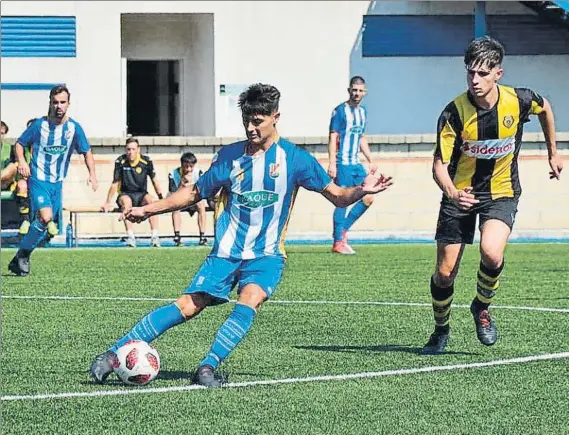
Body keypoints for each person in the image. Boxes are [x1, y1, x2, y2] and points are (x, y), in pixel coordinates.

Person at [89, 83, 393, 387]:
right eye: (246, 121)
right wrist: (150, 209)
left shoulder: (295, 159)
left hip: (266, 254)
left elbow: (338, 195)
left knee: (251, 298)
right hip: (226, 251)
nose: (250, 128)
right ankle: (113, 354)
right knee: (188, 305)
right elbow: (195, 192)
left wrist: (361, 190)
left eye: (257, 121)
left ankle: (206, 368)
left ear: (276, 117)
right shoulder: (230, 157)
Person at [421, 36, 563, 355]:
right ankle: (441, 330)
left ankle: (481, 307)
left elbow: (545, 107)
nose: (475, 80)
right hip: (460, 194)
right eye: (470, 72)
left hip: (501, 192)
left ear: (498, 73)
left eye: (482, 73)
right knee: (444, 274)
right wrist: (453, 192)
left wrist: (553, 152)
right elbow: (438, 166)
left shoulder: (518, 100)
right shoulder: (453, 113)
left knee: (492, 253)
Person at [8, 85, 99, 276]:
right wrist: (22, 161)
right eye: (55, 102)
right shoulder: (39, 126)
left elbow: (86, 150)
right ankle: (23, 256)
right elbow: (19, 144)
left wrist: (92, 174)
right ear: (50, 103)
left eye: (62, 102)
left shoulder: (73, 128)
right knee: (46, 216)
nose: (59, 106)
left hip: (57, 183)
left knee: (48, 225)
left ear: (68, 104)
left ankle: (21, 256)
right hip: (38, 179)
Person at [327, 76, 376, 255]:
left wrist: (370, 158)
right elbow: (333, 136)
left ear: (365, 92)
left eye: (360, 90)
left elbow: (361, 137)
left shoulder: (362, 112)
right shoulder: (340, 111)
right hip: (343, 163)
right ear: (349, 90)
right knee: (342, 200)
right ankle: (338, 242)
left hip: (356, 163)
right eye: (354, 90)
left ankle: (343, 230)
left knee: (369, 196)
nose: (357, 93)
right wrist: (332, 162)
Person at [101, 137, 164, 247]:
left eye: (133, 149)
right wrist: (107, 202)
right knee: (127, 204)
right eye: (128, 149)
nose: (131, 152)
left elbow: (154, 181)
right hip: (125, 194)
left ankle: (155, 236)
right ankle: (130, 237)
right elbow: (115, 183)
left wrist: (161, 198)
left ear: (138, 149)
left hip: (141, 194)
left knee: (152, 201)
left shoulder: (146, 161)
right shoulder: (120, 161)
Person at [168, 152, 210, 246]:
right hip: (180, 199)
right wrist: (182, 183)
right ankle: (177, 236)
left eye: (191, 166)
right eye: (186, 166)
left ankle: (202, 236)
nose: (188, 169)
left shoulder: (198, 173)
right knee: (175, 207)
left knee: (201, 205)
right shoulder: (173, 174)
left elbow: (202, 190)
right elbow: (173, 194)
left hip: (194, 198)